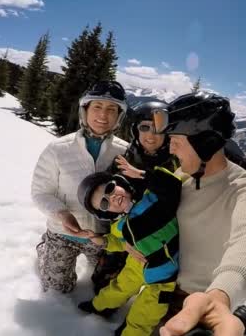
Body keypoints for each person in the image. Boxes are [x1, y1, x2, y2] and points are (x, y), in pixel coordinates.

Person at [149, 92, 246, 336]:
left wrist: (221, 296)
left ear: (205, 143)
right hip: (165, 290)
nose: (170, 149)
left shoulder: (244, 189)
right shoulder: (182, 177)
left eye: (176, 140)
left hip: (203, 305)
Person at [31, 80, 129, 294]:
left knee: (106, 285)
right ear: (85, 110)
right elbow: (40, 192)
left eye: (111, 109)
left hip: (102, 237)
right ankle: (45, 248)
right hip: (61, 233)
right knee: (58, 289)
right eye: (97, 107)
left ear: (119, 116)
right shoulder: (58, 149)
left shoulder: (124, 152)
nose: (103, 116)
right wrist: (62, 215)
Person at [76, 160, 182, 336]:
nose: (111, 198)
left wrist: (142, 174)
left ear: (120, 183)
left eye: (109, 189)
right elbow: (118, 242)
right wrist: (101, 240)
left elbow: (172, 186)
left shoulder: (152, 198)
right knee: (118, 287)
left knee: (146, 312)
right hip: (136, 264)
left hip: (162, 274)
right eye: (104, 203)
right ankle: (99, 306)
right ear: (106, 212)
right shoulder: (119, 225)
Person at [91, 100, 178, 294]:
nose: (151, 135)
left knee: (159, 291)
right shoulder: (123, 161)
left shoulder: (175, 165)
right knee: (103, 282)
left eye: (158, 129)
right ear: (135, 130)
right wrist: (124, 243)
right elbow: (107, 206)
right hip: (123, 236)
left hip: (160, 242)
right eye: (144, 127)